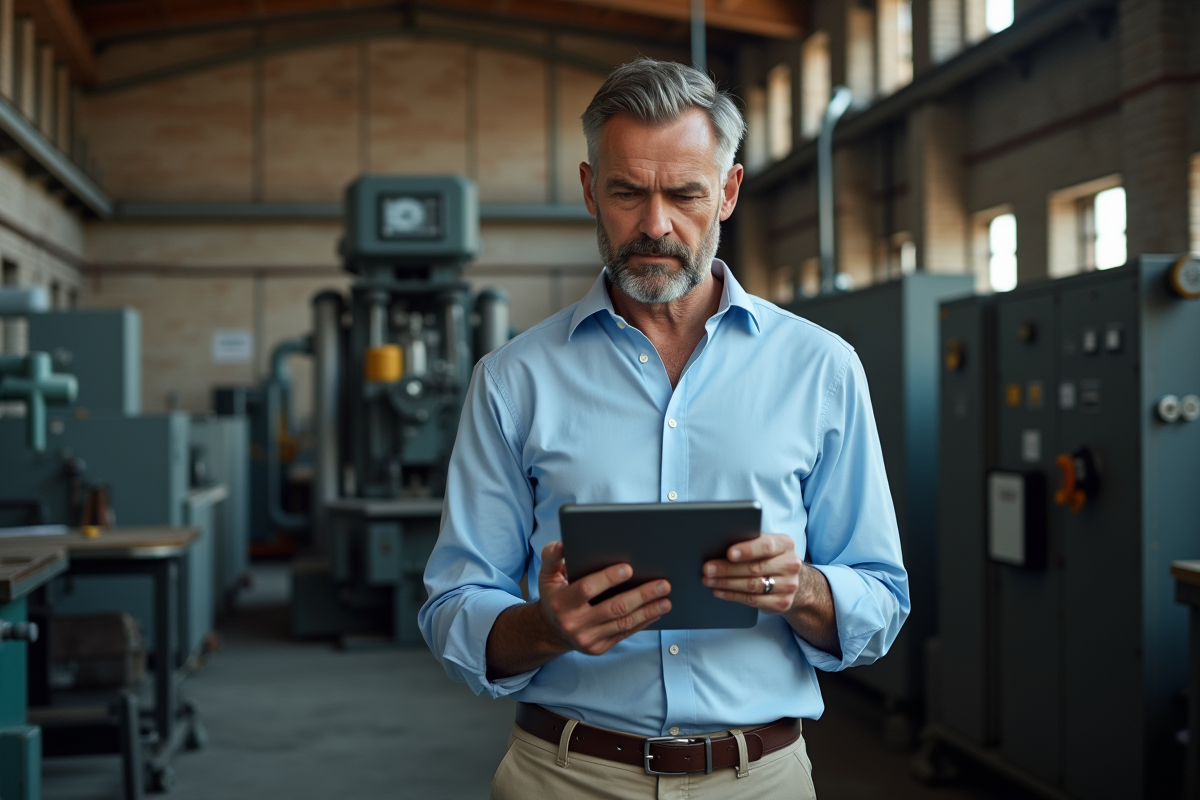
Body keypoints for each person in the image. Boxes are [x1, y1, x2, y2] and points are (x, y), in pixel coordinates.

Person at [419, 57, 909, 799]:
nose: (655, 225)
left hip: (760, 781)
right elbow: (452, 606)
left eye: (685, 194)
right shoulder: (513, 380)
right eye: (627, 192)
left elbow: (880, 599)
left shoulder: (822, 368)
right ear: (590, 190)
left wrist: (800, 587)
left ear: (729, 192)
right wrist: (545, 627)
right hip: (564, 777)